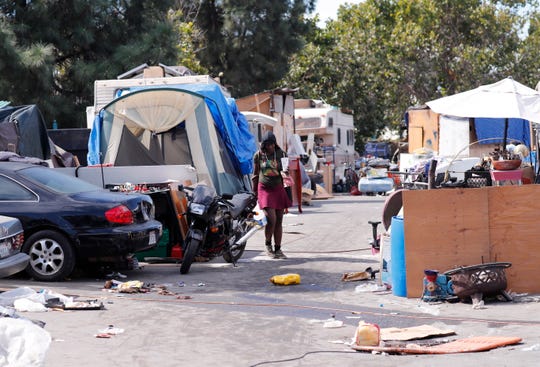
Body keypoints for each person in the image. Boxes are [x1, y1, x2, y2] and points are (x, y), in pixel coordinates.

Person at [252, 131, 292, 259]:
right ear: (264, 145)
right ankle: (268, 245)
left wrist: (285, 175)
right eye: (268, 145)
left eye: (272, 144)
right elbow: (255, 174)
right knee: (271, 219)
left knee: (279, 219)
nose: (270, 147)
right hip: (264, 189)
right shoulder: (258, 155)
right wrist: (254, 193)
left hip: (278, 188)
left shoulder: (282, 154)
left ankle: (278, 249)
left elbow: (286, 173)